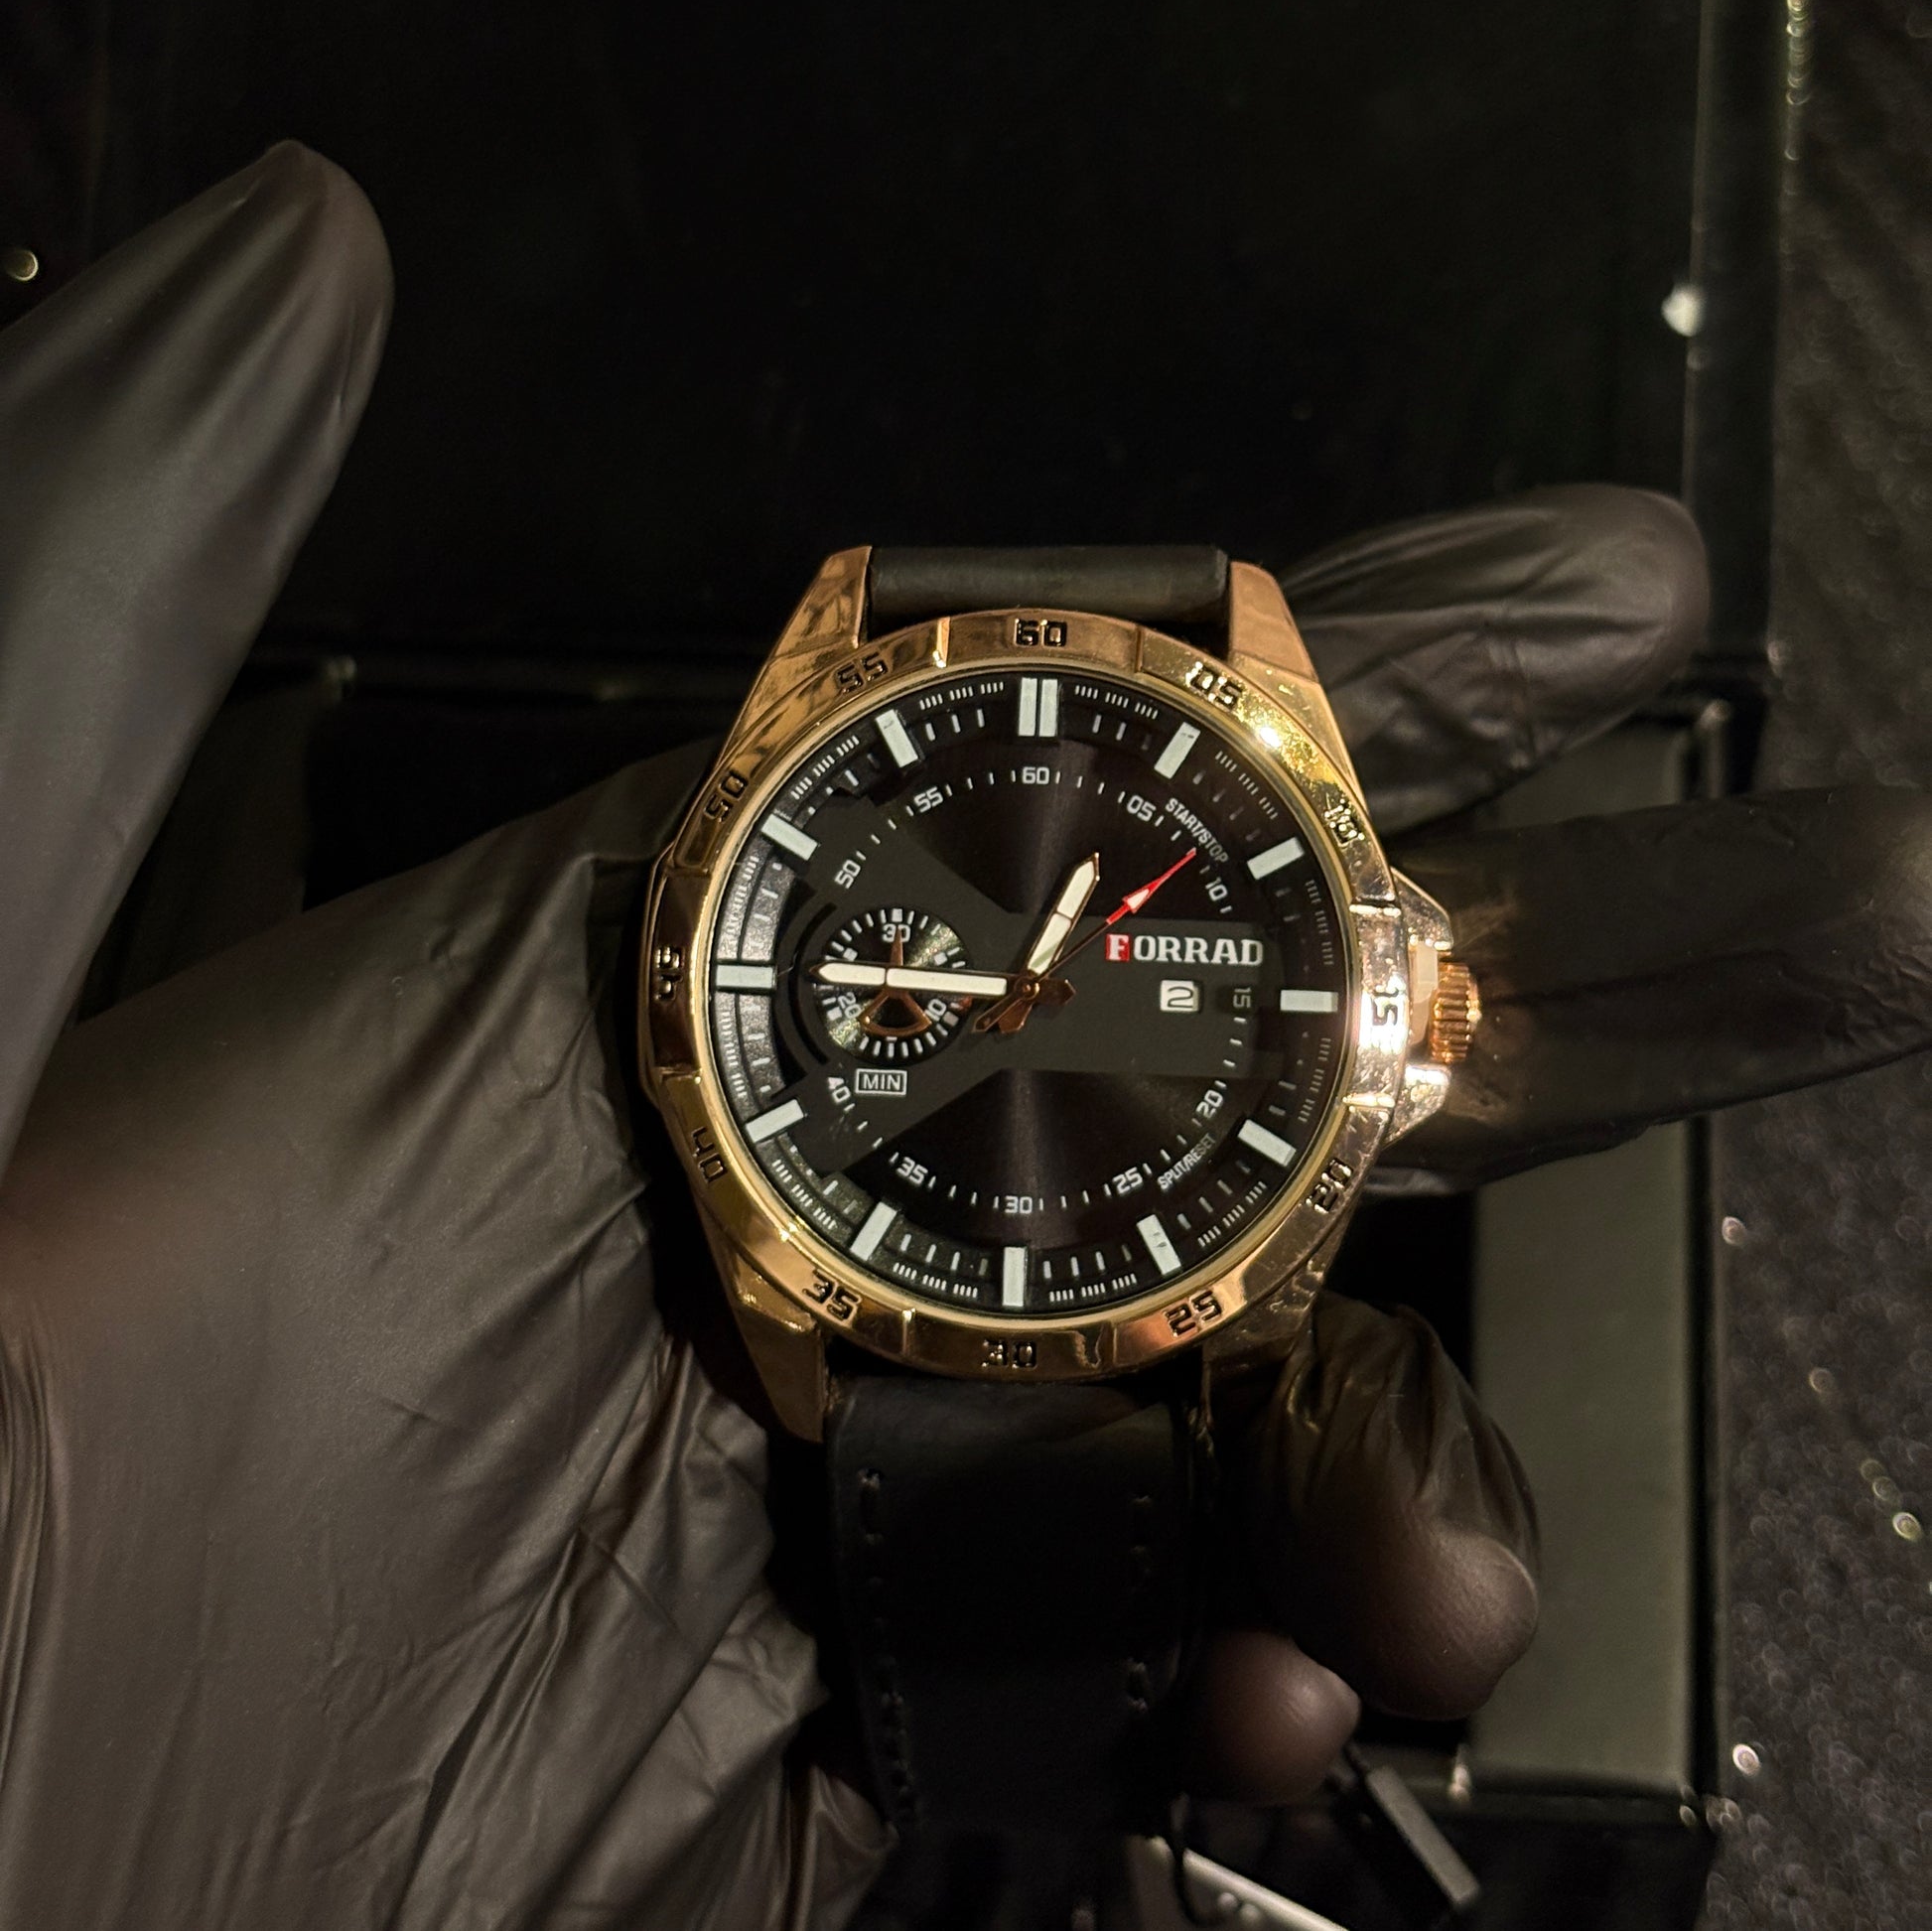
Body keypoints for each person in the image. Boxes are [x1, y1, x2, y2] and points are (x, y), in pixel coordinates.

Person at [3, 144, 1928, 1930]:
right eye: (994, 997)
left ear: (1399, 1008)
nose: (1022, 1006)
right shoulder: (749, 1042)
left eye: (1041, 995)